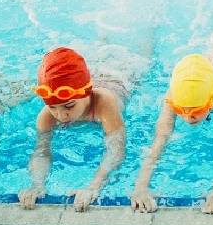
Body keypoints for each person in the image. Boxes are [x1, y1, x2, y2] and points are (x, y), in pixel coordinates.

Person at [131, 31, 213, 214]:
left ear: (211, 101)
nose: (187, 117)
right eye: (181, 109)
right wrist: (141, 186)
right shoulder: (174, 95)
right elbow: (158, 143)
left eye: (196, 111)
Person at [18, 45, 141, 212]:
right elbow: (41, 152)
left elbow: (116, 150)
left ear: (86, 93)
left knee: (140, 57)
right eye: (53, 107)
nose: (61, 116)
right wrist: (37, 184)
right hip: (88, 79)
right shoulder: (46, 115)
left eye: (69, 106)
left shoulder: (104, 103)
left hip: (119, 79)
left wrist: (94, 186)